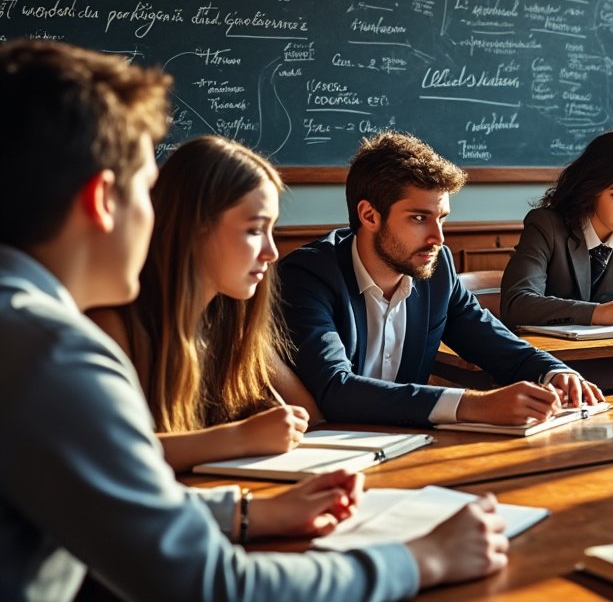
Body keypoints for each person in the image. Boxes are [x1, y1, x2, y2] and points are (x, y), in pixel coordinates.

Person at [0, 40, 508, 601]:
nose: (156, 217)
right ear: (102, 199)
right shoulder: (52, 352)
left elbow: (104, 495)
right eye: (147, 192)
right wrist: (423, 558)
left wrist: (246, 515)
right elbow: (212, 584)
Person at [279, 132, 603, 427]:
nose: (438, 238)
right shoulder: (307, 275)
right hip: (324, 453)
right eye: (419, 218)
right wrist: (475, 405)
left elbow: (499, 346)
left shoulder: (437, 270)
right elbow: (335, 389)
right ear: (369, 216)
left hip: (411, 445)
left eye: (442, 218)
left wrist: (555, 372)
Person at [89, 136, 320, 472]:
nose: (272, 253)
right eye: (255, 230)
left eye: (273, 230)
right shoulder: (113, 324)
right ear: (195, 228)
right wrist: (240, 437)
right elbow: (107, 455)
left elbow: (307, 414)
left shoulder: (230, 321)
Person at [500, 130, 613, 327]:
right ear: (591, 189)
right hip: (550, 352)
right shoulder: (546, 226)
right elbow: (517, 304)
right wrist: (595, 313)